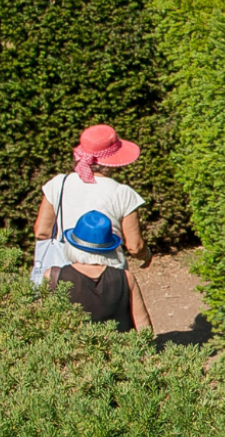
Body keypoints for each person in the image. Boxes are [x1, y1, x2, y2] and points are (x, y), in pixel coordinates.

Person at [34, 124, 151, 269]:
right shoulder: (123, 193)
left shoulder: (59, 183)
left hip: (65, 268)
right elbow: (135, 247)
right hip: (108, 270)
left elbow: (42, 232)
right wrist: (147, 255)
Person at [46, 211, 153, 333]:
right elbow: (143, 324)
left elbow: (43, 322)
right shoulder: (125, 277)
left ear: (72, 245)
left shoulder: (53, 276)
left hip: (71, 345)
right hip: (120, 345)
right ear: (110, 249)